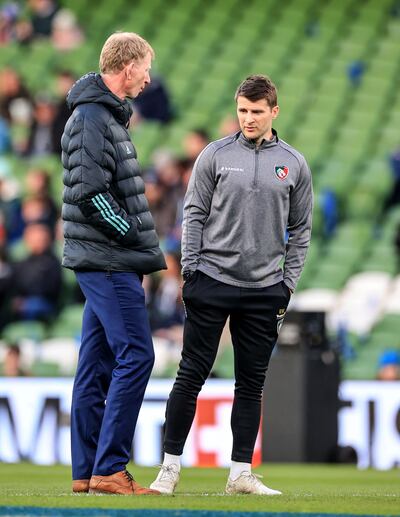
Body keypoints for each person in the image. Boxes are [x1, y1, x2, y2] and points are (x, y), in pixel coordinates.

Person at [151, 75, 313, 495]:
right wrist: (191, 273)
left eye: (257, 112)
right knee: (191, 376)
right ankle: (169, 469)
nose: (249, 119)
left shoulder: (294, 164)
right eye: (243, 110)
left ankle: (240, 472)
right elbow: (193, 215)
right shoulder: (214, 155)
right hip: (213, 280)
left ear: (274, 111)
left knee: (251, 383)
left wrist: (287, 285)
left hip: (264, 290)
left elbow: (301, 229)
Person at [61, 32, 166, 496]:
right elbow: (88, 192)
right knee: (137, 355)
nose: (148, 77)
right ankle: (109, 469)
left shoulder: (101, 116)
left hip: (104, 259)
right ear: (127, 67)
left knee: (95, 365)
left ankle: (87, 472)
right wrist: (129, 234)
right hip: (108, 260)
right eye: (146, 68)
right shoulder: (92, 118)